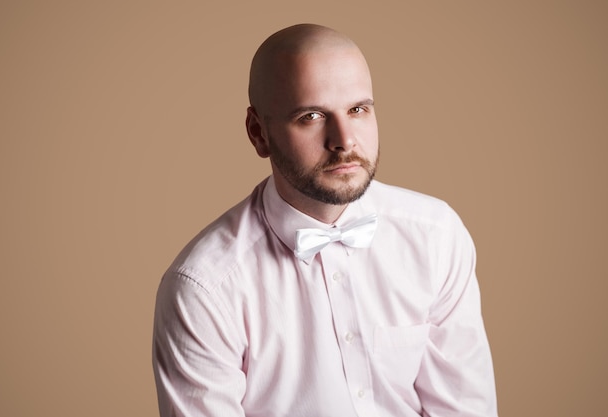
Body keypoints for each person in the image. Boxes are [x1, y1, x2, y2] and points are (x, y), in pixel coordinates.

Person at [152, 23, 498, 417]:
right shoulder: (204, 288)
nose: (344, 140)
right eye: (312, 115)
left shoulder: (436, 236)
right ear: (257, 133)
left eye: (358, 110)